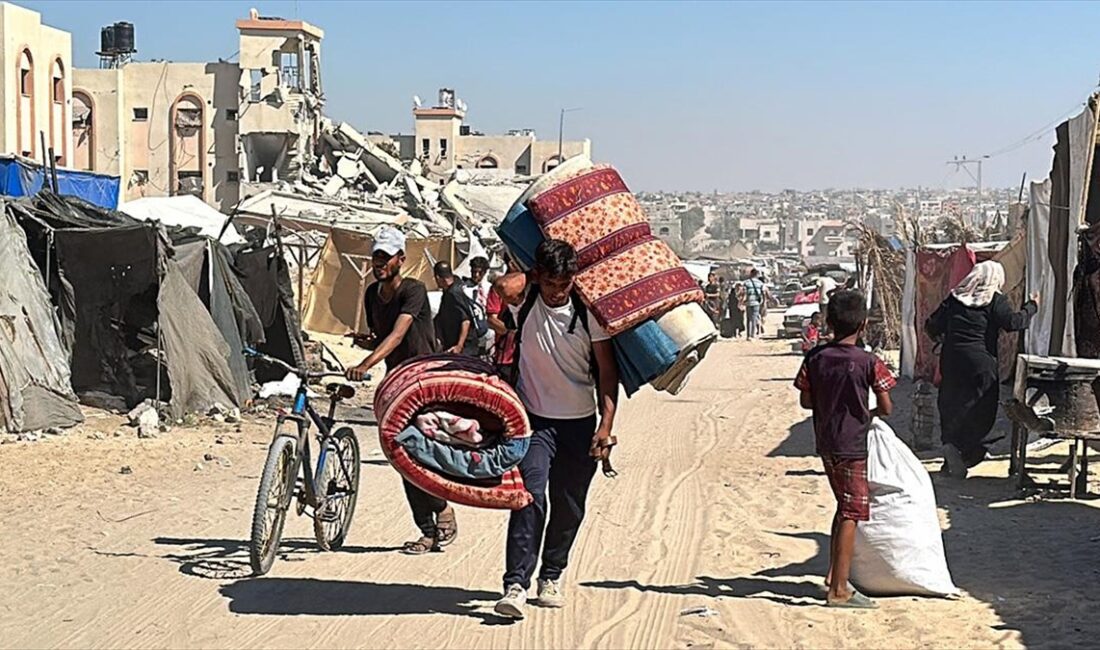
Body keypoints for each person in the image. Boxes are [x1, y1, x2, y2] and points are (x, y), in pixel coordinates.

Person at [494, 239, 620, 620]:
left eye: (564, 284)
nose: (556, 292)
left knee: (569, 506)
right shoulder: (528, 300)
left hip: (579, 424)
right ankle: (516, 584)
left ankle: (552, 574)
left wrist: (606, 426)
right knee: (529, 498)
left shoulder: (588, 315)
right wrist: (531, 279)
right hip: (534, 421)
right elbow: (502, 287)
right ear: (539, 277)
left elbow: (608, 374)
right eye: (550, 283)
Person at [346, 227, 457, 555]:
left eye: (385, 257)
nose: (378, 263)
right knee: (400, 454)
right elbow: (381, 337)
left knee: (421, 452)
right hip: (396, 381)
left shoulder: (414, 290)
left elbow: (397, 334)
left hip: (422, 381)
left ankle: (442, 508)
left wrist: (365, 363)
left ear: (400, 259)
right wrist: (366, 342)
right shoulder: (370, 294)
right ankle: (426, 529)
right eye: (375, 256)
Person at [795, 289, 896, 609]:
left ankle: (832, 574)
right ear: (863, 325)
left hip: (826, 442)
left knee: (842, 505)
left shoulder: (814, 358)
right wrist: (867, 415)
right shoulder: (868, 362)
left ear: (828, 322)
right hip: (853, 444)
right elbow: (887, 406)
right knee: (852, 511)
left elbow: (805, 400)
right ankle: (839, 589)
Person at [925, 261, 1038, 479]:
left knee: (951, 403)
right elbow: (1014, 322)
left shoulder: (954, 299)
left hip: (952, 360)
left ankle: (950, 446)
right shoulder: (994, 300)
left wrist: (942, 337)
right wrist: (1031, 306)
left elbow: (931, 324)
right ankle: (968, 450)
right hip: (981, 363)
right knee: (980, 406)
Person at [433, 261, 479, 356]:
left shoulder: (454, 293)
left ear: (438, 278)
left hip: (464, 348)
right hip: (456, 345)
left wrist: (459, 345)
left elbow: (465, 320)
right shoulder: (456, 284)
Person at [743, 268, 767, 339]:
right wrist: (763, 302)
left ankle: (748, 335)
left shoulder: (746, 282)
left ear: (751, 274)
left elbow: (743, 293)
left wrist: (742, 301)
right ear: (756, 274)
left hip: (748, 302)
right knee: (754, 318)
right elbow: (763, 293)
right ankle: (752, 335)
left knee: (748, 319)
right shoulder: (760, 283)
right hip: (756, 303)